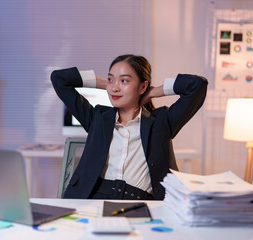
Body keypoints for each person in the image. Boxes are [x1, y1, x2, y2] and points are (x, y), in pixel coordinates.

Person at [51, 54, 208, 200]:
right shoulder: (97, 118)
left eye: (124, 81)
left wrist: (154, 92)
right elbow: (59, 79)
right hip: (96, 198)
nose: (115, 88)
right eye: (111, 79)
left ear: (142, 87)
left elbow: (198, 85)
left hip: (141, 202)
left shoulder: (161, 122)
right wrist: (106, 84)